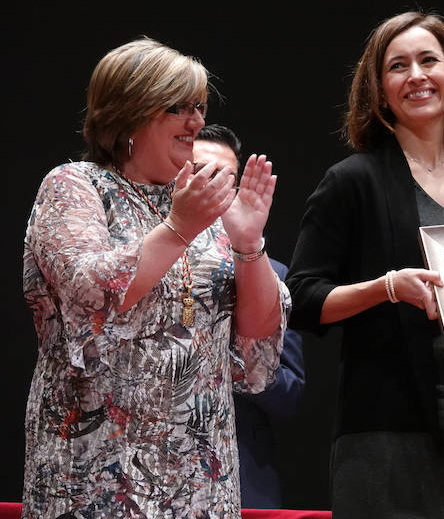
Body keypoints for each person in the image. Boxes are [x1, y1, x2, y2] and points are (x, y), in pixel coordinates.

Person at [21, 38, 290, 518]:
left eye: (199, 107)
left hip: (201, 482)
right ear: (129, 111)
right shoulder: (75, 185)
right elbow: (91, 293)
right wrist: (178, 230)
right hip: (94, 477)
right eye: (178, 107)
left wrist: (250, 246)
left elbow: (258, 346)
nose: (197, 122)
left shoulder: (198, 201)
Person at [286, 11, 444, 518]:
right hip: (388, 441)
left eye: (429, 60)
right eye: (398, 66)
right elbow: (304, 300)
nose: (416, 75)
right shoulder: (351, 180)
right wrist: (386, 287)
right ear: (378, 91)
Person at [194, 123, 306, 509]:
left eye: (226, 180)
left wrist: (229, 353)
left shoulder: (269, 274)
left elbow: (289, 395)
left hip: (241, 481)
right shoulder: (143, 259)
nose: (213, 189)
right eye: (199, 174)